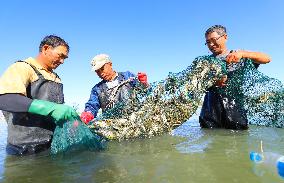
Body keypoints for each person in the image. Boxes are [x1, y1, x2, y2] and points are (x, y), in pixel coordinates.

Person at [0, 35, 79, 155]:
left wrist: (72, 121)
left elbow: (59, 111)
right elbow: (5, 99)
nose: (62, 61)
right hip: (23, 149)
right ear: (46, 48)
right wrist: (50, 108)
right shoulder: (22, 67)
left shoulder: (56, 78)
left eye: (65, 58)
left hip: (51, 146)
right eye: (60, 55)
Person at [199, 25, 271, 129]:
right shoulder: (205, 62)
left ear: (225, 37)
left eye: (214, 40)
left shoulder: (239, 55)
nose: (211, 44)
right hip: (210, 112)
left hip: (235, 110)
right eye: (208, 42)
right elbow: (197, 84)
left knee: (237, 140)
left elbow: (267, 59)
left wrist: (243, 53)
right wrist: (214, 82)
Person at [80, 54, 148, 124]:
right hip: (112, 125)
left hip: (135, 120)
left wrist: (144, 84)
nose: (101, 73)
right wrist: (87, 114)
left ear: (110, 64)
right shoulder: (97, 89)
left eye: (102, 69)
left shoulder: (128, 76)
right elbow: (92, 106)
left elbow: (145, 93)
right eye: (97, 71)